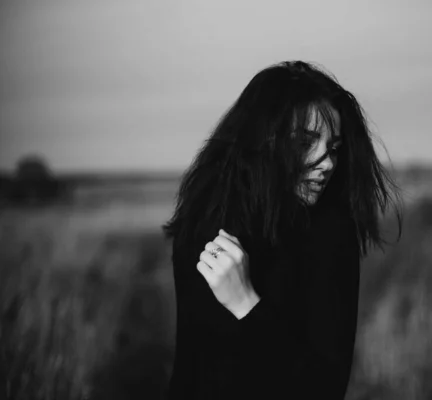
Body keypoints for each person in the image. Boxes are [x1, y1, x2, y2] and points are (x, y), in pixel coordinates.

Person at [162, 60, 402, 400]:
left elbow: (323, 388)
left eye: (334, 148)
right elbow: (191, 367)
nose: (328, 162)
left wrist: (246, 304)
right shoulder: (204, 228)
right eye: (306, 142)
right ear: (263, 140)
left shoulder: (331, 236)